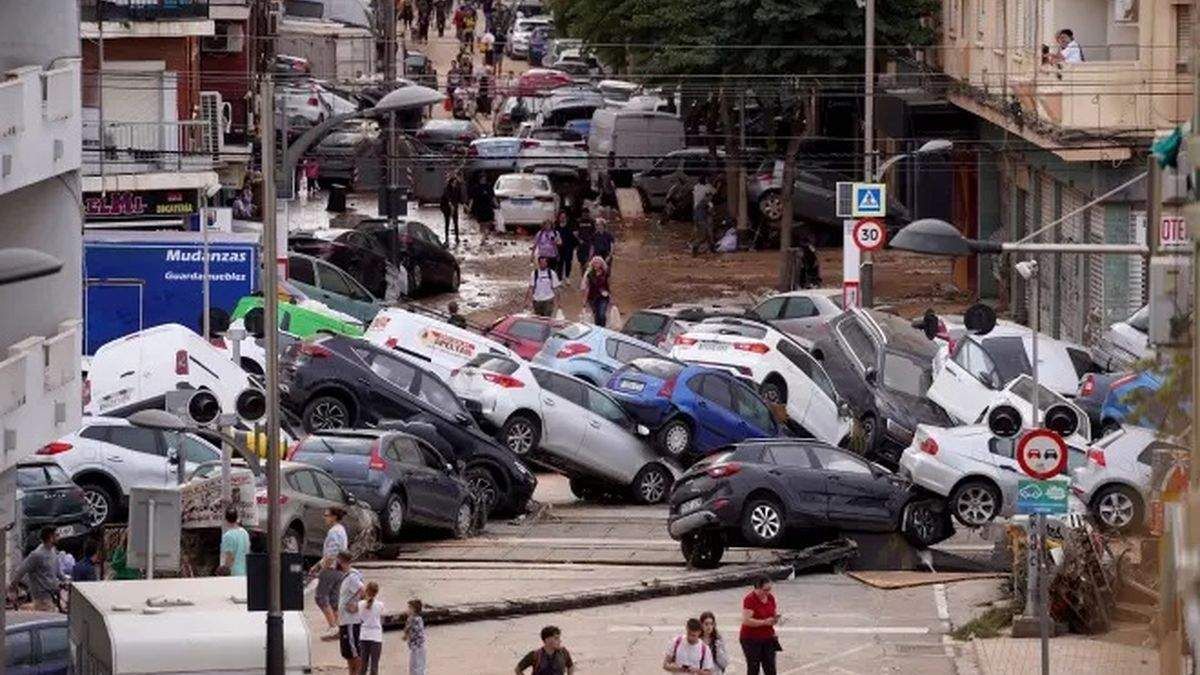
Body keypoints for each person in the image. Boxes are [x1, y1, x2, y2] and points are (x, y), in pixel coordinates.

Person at [310, 507, 350, 640]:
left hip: (331, 568)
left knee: (320, 597)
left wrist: (321, 568)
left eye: (326, 515)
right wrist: (317, 565)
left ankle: (333, 626)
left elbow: (331, 554)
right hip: (340, 569)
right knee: (334, 599)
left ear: (333, 517)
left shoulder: (333, 532)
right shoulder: (342, 530)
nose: (324, 517)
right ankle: (339, 626)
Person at [8, 527, 64, 611]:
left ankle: (23, 608)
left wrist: (65, 580)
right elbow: (21, 570)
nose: (59, 537)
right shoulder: (37, 555)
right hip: (42, 596)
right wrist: (13, 586)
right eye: (56, 535)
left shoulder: (53, 550)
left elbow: (57, 571)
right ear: (50, 537)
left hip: (53, 595)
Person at [740, 577, 781, 675]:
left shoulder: (770, 597)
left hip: (768, 636)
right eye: (765, 590)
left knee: (770, 667)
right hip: (751, 638)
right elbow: (746, 621)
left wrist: (774, 619)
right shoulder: (750, 599)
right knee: (754, 667)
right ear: (757, 588)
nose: (768, 592)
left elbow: (773, 613)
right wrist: (764, 622)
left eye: (769, 589)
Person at [335, 551, 365, 675]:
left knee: (354, 653)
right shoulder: (347, 576)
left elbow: (364, 591)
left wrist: (357, 606)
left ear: (341, 561)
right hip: (345, 621)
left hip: (351, 622)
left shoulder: (352, 577)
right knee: (348, 653)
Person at [358, 581, 385, 675]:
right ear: (377, 592)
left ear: (366, 591)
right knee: (374, 666)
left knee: (363, 665)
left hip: (364, 635)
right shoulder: (380, 605)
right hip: (376, 636)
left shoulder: (360, 604)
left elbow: (360, 618)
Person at [219, 506, 251, 576]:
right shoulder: (244, 533)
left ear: (225, 519)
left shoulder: (228, 536)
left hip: (233, 573)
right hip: (245, 571)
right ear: (237, 518)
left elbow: (230, 557)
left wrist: (224, 571)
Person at [581, 256, 611, 327]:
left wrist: (611, 298)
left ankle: (603, 329)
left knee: (602, 314)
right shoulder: (590, 274)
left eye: (597, 263)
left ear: (601, 264)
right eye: (594, 263)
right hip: (592, 297)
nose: (596, 264)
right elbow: (587, 287)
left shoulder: (605, 273)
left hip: (603, 297)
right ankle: (598, 329)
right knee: (596, 315)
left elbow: (609, 285)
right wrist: (584, 300)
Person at [693, 174, 716, 252]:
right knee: (706, 231)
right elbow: (714, 193)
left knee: (704, 231)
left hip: (697, 212)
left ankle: (711, 247)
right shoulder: (707, 188)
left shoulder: (696, 187)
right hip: (703, 211)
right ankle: (696, 246)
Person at [440, 171, 465, 245]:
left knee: (456, 222)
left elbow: (460, 198)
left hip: (455, 207)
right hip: (447, 208)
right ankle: (446, 238)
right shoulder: (446, 189)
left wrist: (464, 204)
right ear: (451, 183)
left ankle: (457, 237)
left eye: (456, 183)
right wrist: (450, 204)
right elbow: (447, 198)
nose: (455, 184)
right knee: (447, 223)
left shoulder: (457, 189)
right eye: (454, 183)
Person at [405, 598, 428, 675]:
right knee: (419, 667)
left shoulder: (414, 619)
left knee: (416, 668)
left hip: (417, 647)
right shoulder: (417, 619)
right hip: (418, 646)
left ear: (413, 609)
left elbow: (409, 630)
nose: (407, 610)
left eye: (409, 608)